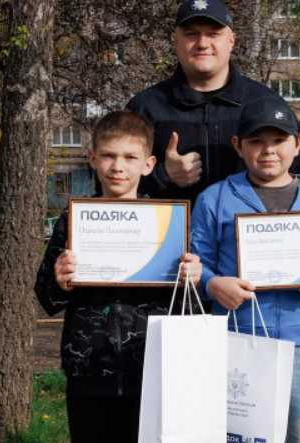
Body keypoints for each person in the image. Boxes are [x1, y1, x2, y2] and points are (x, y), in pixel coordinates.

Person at [190, 96, 300, 443]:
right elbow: (194, 261)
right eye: (256, 141)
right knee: (238, 436)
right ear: (239, 146)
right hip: (237, 341)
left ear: (297, 144)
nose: (268, 151)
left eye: (279, 140)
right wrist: (212, 284)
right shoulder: (215, 198)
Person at [35, 111, 202, 443]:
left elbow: (189, 309)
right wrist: (60, 281)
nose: (118, 166)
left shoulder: (169, 221)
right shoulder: (73, 220)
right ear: (93, 158)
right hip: (89, 370)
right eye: (109, 156)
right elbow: (47, 297)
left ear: (149, 164)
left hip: (155, 369)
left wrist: (191, 277)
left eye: (129, 157)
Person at [126, 0, 300, 204]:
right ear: (175, 41)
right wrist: (163, 175)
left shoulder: (266, 103)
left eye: (213, 34)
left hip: (247, 234)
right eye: (191, 34)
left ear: (231, 40)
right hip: (169, 234)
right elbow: (108, 186)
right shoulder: (145, 108)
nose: (202, 43)